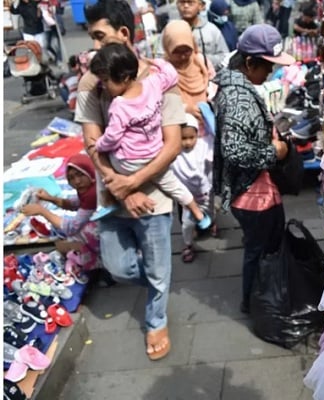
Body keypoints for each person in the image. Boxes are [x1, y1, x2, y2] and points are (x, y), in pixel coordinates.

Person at [76, 0, 186, 360]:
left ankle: (156, 319)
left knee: (157, 268)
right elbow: (93, 143)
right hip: (113, 195)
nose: (94, 46)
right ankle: (160, 284)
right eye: (92, 38)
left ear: (124, 34)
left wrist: (135, 181)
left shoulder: (157, 80)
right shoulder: (92, 82)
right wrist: (121, 190)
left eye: (99, 36)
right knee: (119, 267)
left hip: (154, 195)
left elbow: (171, 145)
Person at [213, 24, 294, 313]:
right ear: (249, 63)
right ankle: (254, 301)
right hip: (250, 193)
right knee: (258, 250)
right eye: (268, 67)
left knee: (258, 249)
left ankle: (258, 299)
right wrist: (275, 151)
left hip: (252, 188)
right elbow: (234, 151)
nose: (271, 73)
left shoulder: (239, 87)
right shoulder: (238, 98)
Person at [89, 42, 209, 225]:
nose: (104, 86)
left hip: (128, 161)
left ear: (124, 77)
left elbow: (112, 137)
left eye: (106, 81)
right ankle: (199, 214)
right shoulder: (152, 85)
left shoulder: (119, 105)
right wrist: (156, 62)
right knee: (174, 185)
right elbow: (170, 74)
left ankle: (110, 200)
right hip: (154, 155)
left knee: (102, 160)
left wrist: (99, 144)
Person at [20, 154, 101, 271]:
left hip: (105, 238)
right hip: (104, 234)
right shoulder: (90, 187)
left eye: (80, 175)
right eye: (71, 178)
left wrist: (42, 211)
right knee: (65, 241)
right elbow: (75, 203)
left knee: (69, 239)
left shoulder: (92, 194)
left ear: (89, 172)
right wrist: (50, 198)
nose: (77, 181)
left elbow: (71, 227)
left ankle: (98, 264)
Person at [172, 113, 214, 262]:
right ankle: (188, 244)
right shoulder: (173, 152)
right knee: (187, 224)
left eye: (192, 137)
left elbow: (214, 134)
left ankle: (211, 224)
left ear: (197, 134)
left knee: (210, 212)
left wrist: (206, 117)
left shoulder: (203, 145)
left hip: (206, 192)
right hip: (188, 198)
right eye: (183, 138)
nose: (188, 142)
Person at [162, 20, 212, 119]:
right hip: (182, 128)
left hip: (208, 125)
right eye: (177, 52)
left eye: (187, 50)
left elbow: (215, 86)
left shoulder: (202, 62)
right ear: (167, 48)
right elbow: (161, 104)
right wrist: (185, 109)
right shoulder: (163, 71)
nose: (183, 57)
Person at [168, 0, 230, 71]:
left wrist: (202, 59)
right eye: (182, 2)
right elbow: (160, 57)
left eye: (190, 2)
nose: (186, 6)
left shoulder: (212, 30)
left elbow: (225, 57)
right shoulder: (170, 30)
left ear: (201, 6)